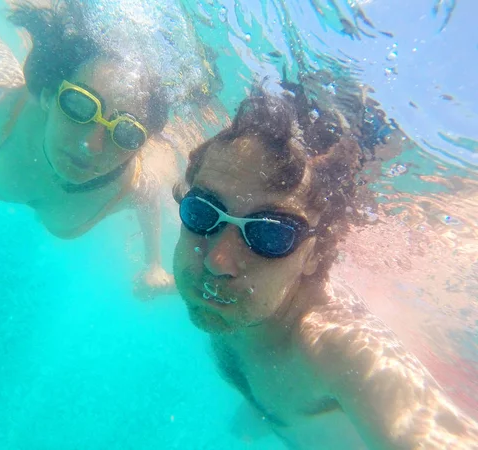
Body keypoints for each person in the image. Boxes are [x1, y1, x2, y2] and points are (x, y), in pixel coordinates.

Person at [172, 86, 478, 449]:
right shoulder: (234, 298)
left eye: (270, 234)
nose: (215, 261)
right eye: (203, 212)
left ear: (315, 255)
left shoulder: (336, 348)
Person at [0, 0, 218, 298]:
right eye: (79, 106)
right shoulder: (4, 104)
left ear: (139, 145)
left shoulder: (131, 183)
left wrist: (154, 265)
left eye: (126, 134)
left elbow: (150, 198)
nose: (90, 145)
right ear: (48, 95)